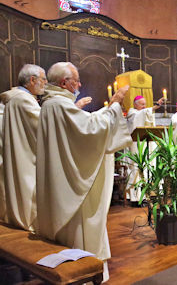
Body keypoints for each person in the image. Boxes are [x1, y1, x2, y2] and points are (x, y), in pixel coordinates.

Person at [36, 62, 132, 281]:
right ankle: (83, 274)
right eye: (76, 80)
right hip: (73, 184)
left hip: (60, 179)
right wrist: (115, 103)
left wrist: (106, 111)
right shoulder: (59, 104)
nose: (79, 84)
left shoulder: (51, 104)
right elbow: (90, 131)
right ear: (64, 83)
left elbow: (85, 124)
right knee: (80, 229)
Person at [0, 64, 46, 231]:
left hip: (19, 153)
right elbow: (44, 125)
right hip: (26, 157)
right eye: (43, 79)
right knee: (27, 195)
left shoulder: (13, 97)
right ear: (32, 80)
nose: (45, 83)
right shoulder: (23, 99)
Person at [126, 95, 164, 203]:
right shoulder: (131, 113)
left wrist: (151, 110)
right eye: (142, 104)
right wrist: (152, 109)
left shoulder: (142, 112)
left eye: (145, 104)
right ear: (135, 104)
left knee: (149, 166)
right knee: (137, 168)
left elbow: (147, 118)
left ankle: (149, 194)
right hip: (135, 146)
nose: (144, 106)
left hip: (146, 144)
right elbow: (138, 117)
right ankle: (136, 197)